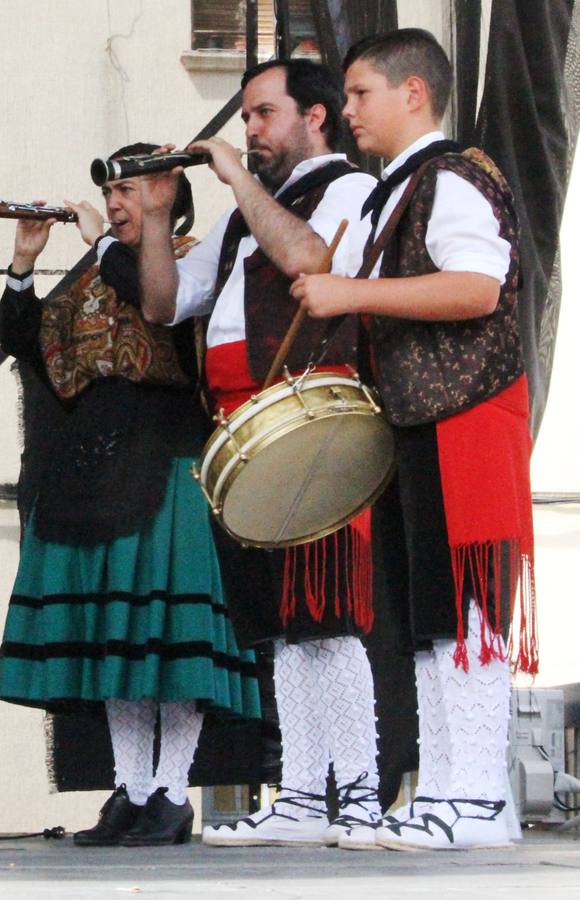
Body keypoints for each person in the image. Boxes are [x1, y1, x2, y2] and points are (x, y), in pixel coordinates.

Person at [292, 28, 534, 851]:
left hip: (464, 413)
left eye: (360, 94)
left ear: (414, 94)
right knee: (432, 615)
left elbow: (475, 286)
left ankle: (477, 797)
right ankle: (446, 789)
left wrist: (352, 290)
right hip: (416, 417)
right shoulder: (387, 191)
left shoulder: (454, 178)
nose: (348, 110)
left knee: (465, 608)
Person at [136, 59, 385, 848]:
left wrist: (239, 181)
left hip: (311, 420)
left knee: (329, 619)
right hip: (245, 431)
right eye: (245, 118)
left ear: (316, 118)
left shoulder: (348, 187)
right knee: (280, 626)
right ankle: (305, 793)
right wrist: (153, 216)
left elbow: (314, 260)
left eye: (263, 114)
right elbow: (165, 300)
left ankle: (363, 791)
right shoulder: (247, 214)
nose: (249, 130)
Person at [0, 145, 261, 848]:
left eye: (129, 190)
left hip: (168, 455)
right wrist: (23, 265)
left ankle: (173, 790)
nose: (113, 202)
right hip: (95, 467)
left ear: (167, 198)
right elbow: (28, 344)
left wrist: (107, 242)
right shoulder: (94, 272)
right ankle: (132, 789)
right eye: (111, 192)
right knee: (119, 636)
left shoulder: (190, 258)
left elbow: (158, 311)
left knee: (169, 635)